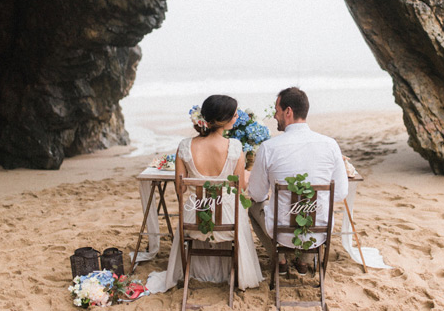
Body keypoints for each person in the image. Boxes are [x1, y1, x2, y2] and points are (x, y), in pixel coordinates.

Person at [146, 95, 263, 293]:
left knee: (194, 205)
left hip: (194, 220)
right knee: (237, 207)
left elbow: (180, 189)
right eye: (234, 114)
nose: (237, 117)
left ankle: (194, 267)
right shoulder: (235, 147)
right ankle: (231, 271)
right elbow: (239, 188)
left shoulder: (184, 146)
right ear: (223, 119)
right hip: (227, 222)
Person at [247, 87, 349, 275]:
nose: (275, 116)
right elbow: (341, 193)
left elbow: (257, 194)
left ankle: (280, 259)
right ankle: (304, 262)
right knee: (316, 208)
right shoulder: (330, 145)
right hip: (319, 231)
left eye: (277, 110)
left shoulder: (269, 148)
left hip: (281, 232)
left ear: (288, 112)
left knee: (253, 207)